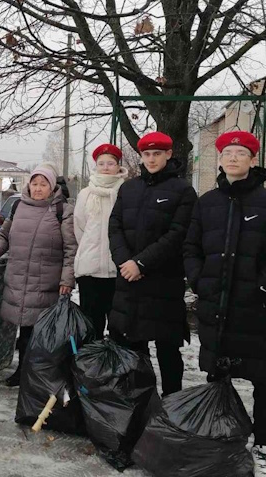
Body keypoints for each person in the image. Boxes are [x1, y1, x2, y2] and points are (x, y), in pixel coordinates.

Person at [183, 131, 266, 477]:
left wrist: (263, 286)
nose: (233, 158)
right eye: (227, 152)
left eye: (241, 152)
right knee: (217, 378)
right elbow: (191, 249)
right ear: (219, 159)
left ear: (253, 160)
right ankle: (220, 441)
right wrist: (199, 280)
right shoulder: (206, 203)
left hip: (256, 313)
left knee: (264, 383)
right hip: (216, 311)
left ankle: (263, 446)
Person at [108, 132, 197, 396]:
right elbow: (115, 226)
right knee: (133, 346)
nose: (151, 159)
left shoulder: (183, 191)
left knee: (168, 347)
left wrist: (141, 263)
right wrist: (125, 261)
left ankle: (171, 403)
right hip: (129, 281)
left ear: (168, 155)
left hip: (163, 282)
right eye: (146, 154)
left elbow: (178, 234)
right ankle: (140, 402)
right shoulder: (129, 188)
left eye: (157, 154)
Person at [0, 164, 78, 386]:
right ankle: (22, 371)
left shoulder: (63, 211)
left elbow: (71, 248)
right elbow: (3, 237)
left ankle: (38, 375)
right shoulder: (18, 206)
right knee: (24, 332)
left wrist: (67, 280)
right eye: (34, 183)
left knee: (39, 333)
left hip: (46, 283)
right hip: (18, 278)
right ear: (28, 185)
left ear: (52, 187)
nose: (38, 188)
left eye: (43, 184)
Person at [73, 143, 128, 338]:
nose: (106, 167)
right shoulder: (86, 194)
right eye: (101, 163)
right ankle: (91, 364)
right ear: (95, 166)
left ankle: (115, 364)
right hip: (90, 271)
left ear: (118, 166)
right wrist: (90, 250)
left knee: (118, 326)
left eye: (110, 163)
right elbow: (80, 227)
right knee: (91, 324)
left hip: (119, 271)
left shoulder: (127, 192)